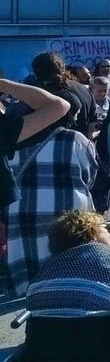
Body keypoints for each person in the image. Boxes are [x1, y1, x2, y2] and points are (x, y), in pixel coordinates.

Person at [1, 118, 96, 297]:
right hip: (68, 216)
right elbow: (90, 176)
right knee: (70, 269)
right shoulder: (75, 139)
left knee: (29, 279)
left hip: (19, 216)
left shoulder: (8, 138)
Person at [26, 209, 110, 337]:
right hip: (106, 347)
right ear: (93, 231)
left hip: (49, 349)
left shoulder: (45, 269)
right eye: (107, 228)